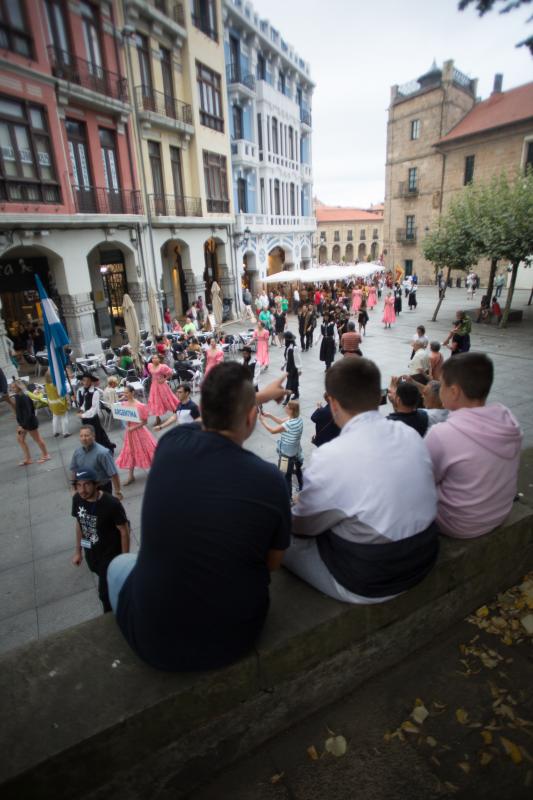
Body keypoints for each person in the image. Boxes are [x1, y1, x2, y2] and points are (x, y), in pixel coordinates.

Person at [108, 363, 291, 672]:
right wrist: (254, 398)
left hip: (151, 641)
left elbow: (207, 420)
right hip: (234, 637)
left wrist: (251, 399)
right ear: (250, 418)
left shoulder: (170, 445)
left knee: (119, 564)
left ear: (201, 407)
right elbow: (272, 564)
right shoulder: (270, 480)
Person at [284, 358, 438, 603]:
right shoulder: (409, 434)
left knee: (282, 537)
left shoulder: (330, 457)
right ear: (377, 396)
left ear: (333, 403)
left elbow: (302, 527)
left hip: (371, 579)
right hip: (425, 557)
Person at [425, 353, 522, 539]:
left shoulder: (443, 434)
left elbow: (424, 480)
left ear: (454, 391)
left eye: (441, 384)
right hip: (499, 512)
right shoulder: (508, 421)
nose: (439, 390)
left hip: (459, 524)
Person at [71, 469, 130, 613]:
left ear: (96, 484)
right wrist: (78, 551)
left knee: (104, 595)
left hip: (110, 554)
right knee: (108, 583)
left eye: (86, 485)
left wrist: (124, 559)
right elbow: (79, 523)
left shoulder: (111, 504)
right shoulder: (77, 499)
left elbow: (124, 530)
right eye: (78, 485)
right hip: (91, 551)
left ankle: (111, 617)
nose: (82, 490)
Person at [259, 401, 304, 500]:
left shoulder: (289, 423)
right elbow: (281, 422)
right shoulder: (298, 419)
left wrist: (262, 421)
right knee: (298, 470)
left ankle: (288, 498)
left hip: (286, 456)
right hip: (296, 452)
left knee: (285, 476)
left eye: (287, 407)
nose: (285, 407)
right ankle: (302, 488)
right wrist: (270, 415)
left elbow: (272, 430)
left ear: (291, 410)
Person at [115, 385, 157, 486]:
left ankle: (157, 470)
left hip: (139, 431)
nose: (125, 394)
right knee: (130, 451)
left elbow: (145, 422)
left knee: (147, 450)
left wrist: (133, 428)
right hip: (129, 432)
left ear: (132, 393)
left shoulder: (140, 405)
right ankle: (130, 476)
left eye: (127, 392)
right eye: (124, 393)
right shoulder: (124, 404)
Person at [70, 425, 123, 498]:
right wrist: (74, 488)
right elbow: (74, 470)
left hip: (102, 489)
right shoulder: (77, 452)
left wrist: (118, 492)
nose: (83, 438)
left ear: (93, 436)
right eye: (81, 436)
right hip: (85, 489)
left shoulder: (103, 453)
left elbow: (113, 473)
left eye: (86, 435)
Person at [11, 379, 50, 465]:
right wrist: (21, 424)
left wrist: (22, 425)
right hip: (24, 423)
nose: (12, 389)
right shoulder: (18, 396)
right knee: (20, 439)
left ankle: (46, 455)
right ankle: (28, 459)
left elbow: (28, 412)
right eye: (12, 387)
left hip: (29, 423)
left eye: (14, 387)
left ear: (19, 388)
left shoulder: (23, 397)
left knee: (37, 439)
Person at [77, 373, 115, 452]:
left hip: (93, 419)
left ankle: (105, 451)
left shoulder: (95, 392)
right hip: (85, 419)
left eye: (88, 380)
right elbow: (83, 403)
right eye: (84, 380)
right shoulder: (81, 391)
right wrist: (80, 408)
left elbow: (94, 409)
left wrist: (83, 415)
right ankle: (92, 451)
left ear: (91, 381)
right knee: (87, 436)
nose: (86, 382)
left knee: (98, 435)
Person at [147, 354, 179, 427]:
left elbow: (170, 373)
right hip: (154, 386)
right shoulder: (150, 365)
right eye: (153, 358)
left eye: (156, 358)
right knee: (155, 400)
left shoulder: (163, 367)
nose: (154, 359)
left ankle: (175, 410)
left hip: (162, 385)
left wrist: (164, 379)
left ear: (159, 359)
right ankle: (157, 418)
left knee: (168, 398)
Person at [44, 371, 70, 438]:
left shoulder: (46, 385)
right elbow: (64, 392)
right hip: (60, 404)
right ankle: (65, 432)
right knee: (64, 418)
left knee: (55, 418)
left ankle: (55, 432)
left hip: (52, 404)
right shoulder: (57, 385)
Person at [282, 331, 302, 404]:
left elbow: (298, 359)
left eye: (285, 339)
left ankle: (287, 398)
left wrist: (299, 369)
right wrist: (284, 365)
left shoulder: (295, 348)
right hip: (289, 367)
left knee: (289, 383)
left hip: (294, 368)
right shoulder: (287, 347)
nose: (284, 340)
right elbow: (287, 358)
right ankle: (297, 394)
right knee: (294, 382)